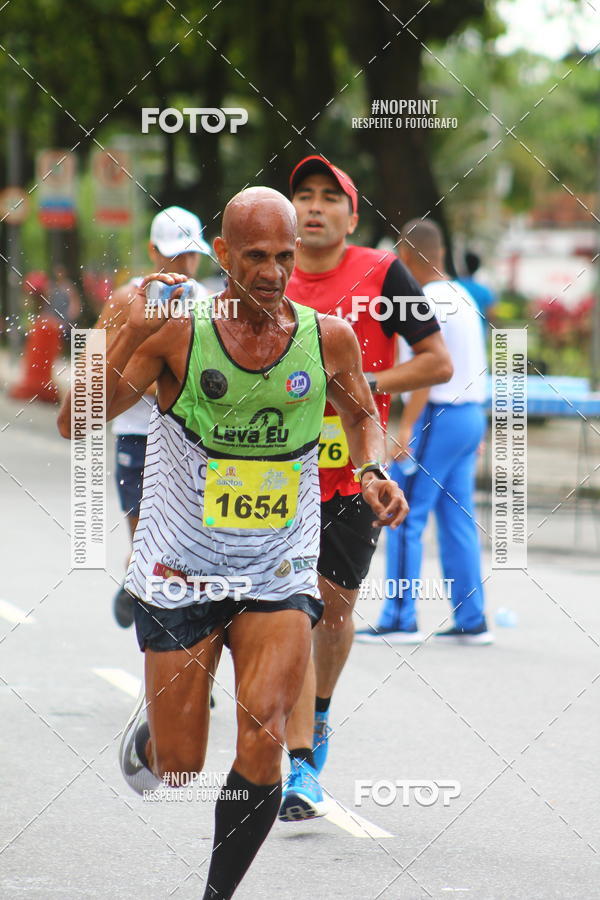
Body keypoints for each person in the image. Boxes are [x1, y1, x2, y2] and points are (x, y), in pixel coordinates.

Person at [58, 187, 409, 899]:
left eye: (285, 257)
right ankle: (153, 742)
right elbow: (75, 422)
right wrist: (128, 326)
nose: (273, 273)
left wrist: (371, 469)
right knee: (181, 767)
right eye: (256, 257)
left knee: (266, 732)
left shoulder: (326, 337)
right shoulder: (177, 335)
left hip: (276, 568)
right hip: (178, 570)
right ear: (223, 256)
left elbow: (363, 414)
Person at [280, 155, 453, 820]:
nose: (315, 207)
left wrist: (362, 388)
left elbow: (438, 360)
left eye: (331, 197)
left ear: (352, 217)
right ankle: (298, 764)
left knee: (333, 610)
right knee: (293, 610)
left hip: (357, 469)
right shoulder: (270, 272)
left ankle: (317, 718)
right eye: (304, 195)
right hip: (275, 472)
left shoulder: (383, 273)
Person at [365, 219, 493, 645]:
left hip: (439, 415)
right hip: (469, 414)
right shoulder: (462, 295)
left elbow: (425, 373)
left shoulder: (424, 301)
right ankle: (472, 617)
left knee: (404, 513)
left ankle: (400, 616)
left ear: (404, 257)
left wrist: (405, 429)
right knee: (457, 519)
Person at [94, 206, 212, 627]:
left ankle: (179, 644)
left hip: (191, 441)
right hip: (138, 438)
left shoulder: (210, 302)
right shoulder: (126, 300)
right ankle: (160, 666)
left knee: (185, 551)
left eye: (190, 255)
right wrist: (157, 378)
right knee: (151, 548)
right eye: (174, 255)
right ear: (151, 250)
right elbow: (97, 370)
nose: (183, 265)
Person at [458, 250, 497, 328]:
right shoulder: (485, 291)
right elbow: (492, 315)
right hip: (478, 335)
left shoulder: (453, 286)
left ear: (464, 265)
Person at [47, 265, 81, 340]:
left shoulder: (68, 286)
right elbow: (48, 302)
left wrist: (72, 313)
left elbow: (74, 301)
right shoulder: (52, 287)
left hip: (65, 316)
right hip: (55, 316)